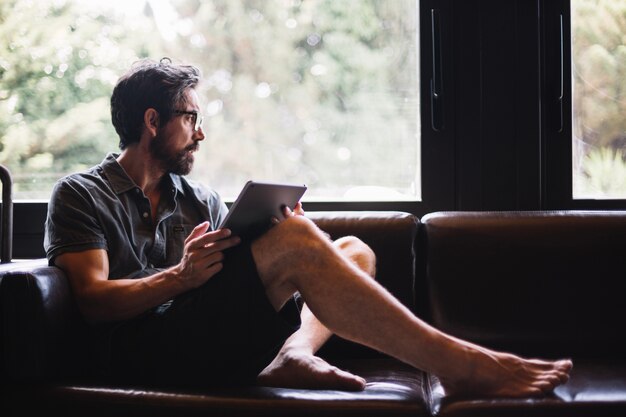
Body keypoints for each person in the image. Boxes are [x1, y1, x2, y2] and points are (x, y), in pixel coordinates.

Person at [44, 58, 572, 396]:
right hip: (144, 352)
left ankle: (291, 353)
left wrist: (278, 238)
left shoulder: (200, 198)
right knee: (298, 243)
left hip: (207, 333)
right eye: (190, 118)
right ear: (152, 122)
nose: (201, 134)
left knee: (352, 249)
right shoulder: (80, 193)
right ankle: (460, 362)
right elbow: (92, 300)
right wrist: (180, 277)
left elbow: (231, 279)